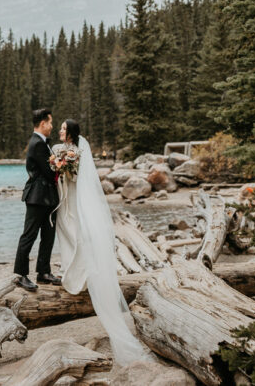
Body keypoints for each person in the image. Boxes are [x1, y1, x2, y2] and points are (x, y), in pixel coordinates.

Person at [53, 118, 149, 366]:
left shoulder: (75, 152)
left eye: (63, 128)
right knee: (69, 234)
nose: (60, 131)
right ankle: (73, 270)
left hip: (73, 200)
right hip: (67, 199)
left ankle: (78, 274)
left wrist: (61, 167)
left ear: (71, 133)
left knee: (74, 233)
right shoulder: (64, 150)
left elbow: (73, 176)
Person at [13, 108, 61, 291]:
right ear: (43, 124)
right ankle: (20, 274)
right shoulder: (37, 143)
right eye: (50, 122)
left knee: (48, 235)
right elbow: (49, 172)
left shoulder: (42, 143)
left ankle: (43, 272)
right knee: (29, 235)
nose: (52, 126)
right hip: (37, 196)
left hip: (47, 197)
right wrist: (60, 166)